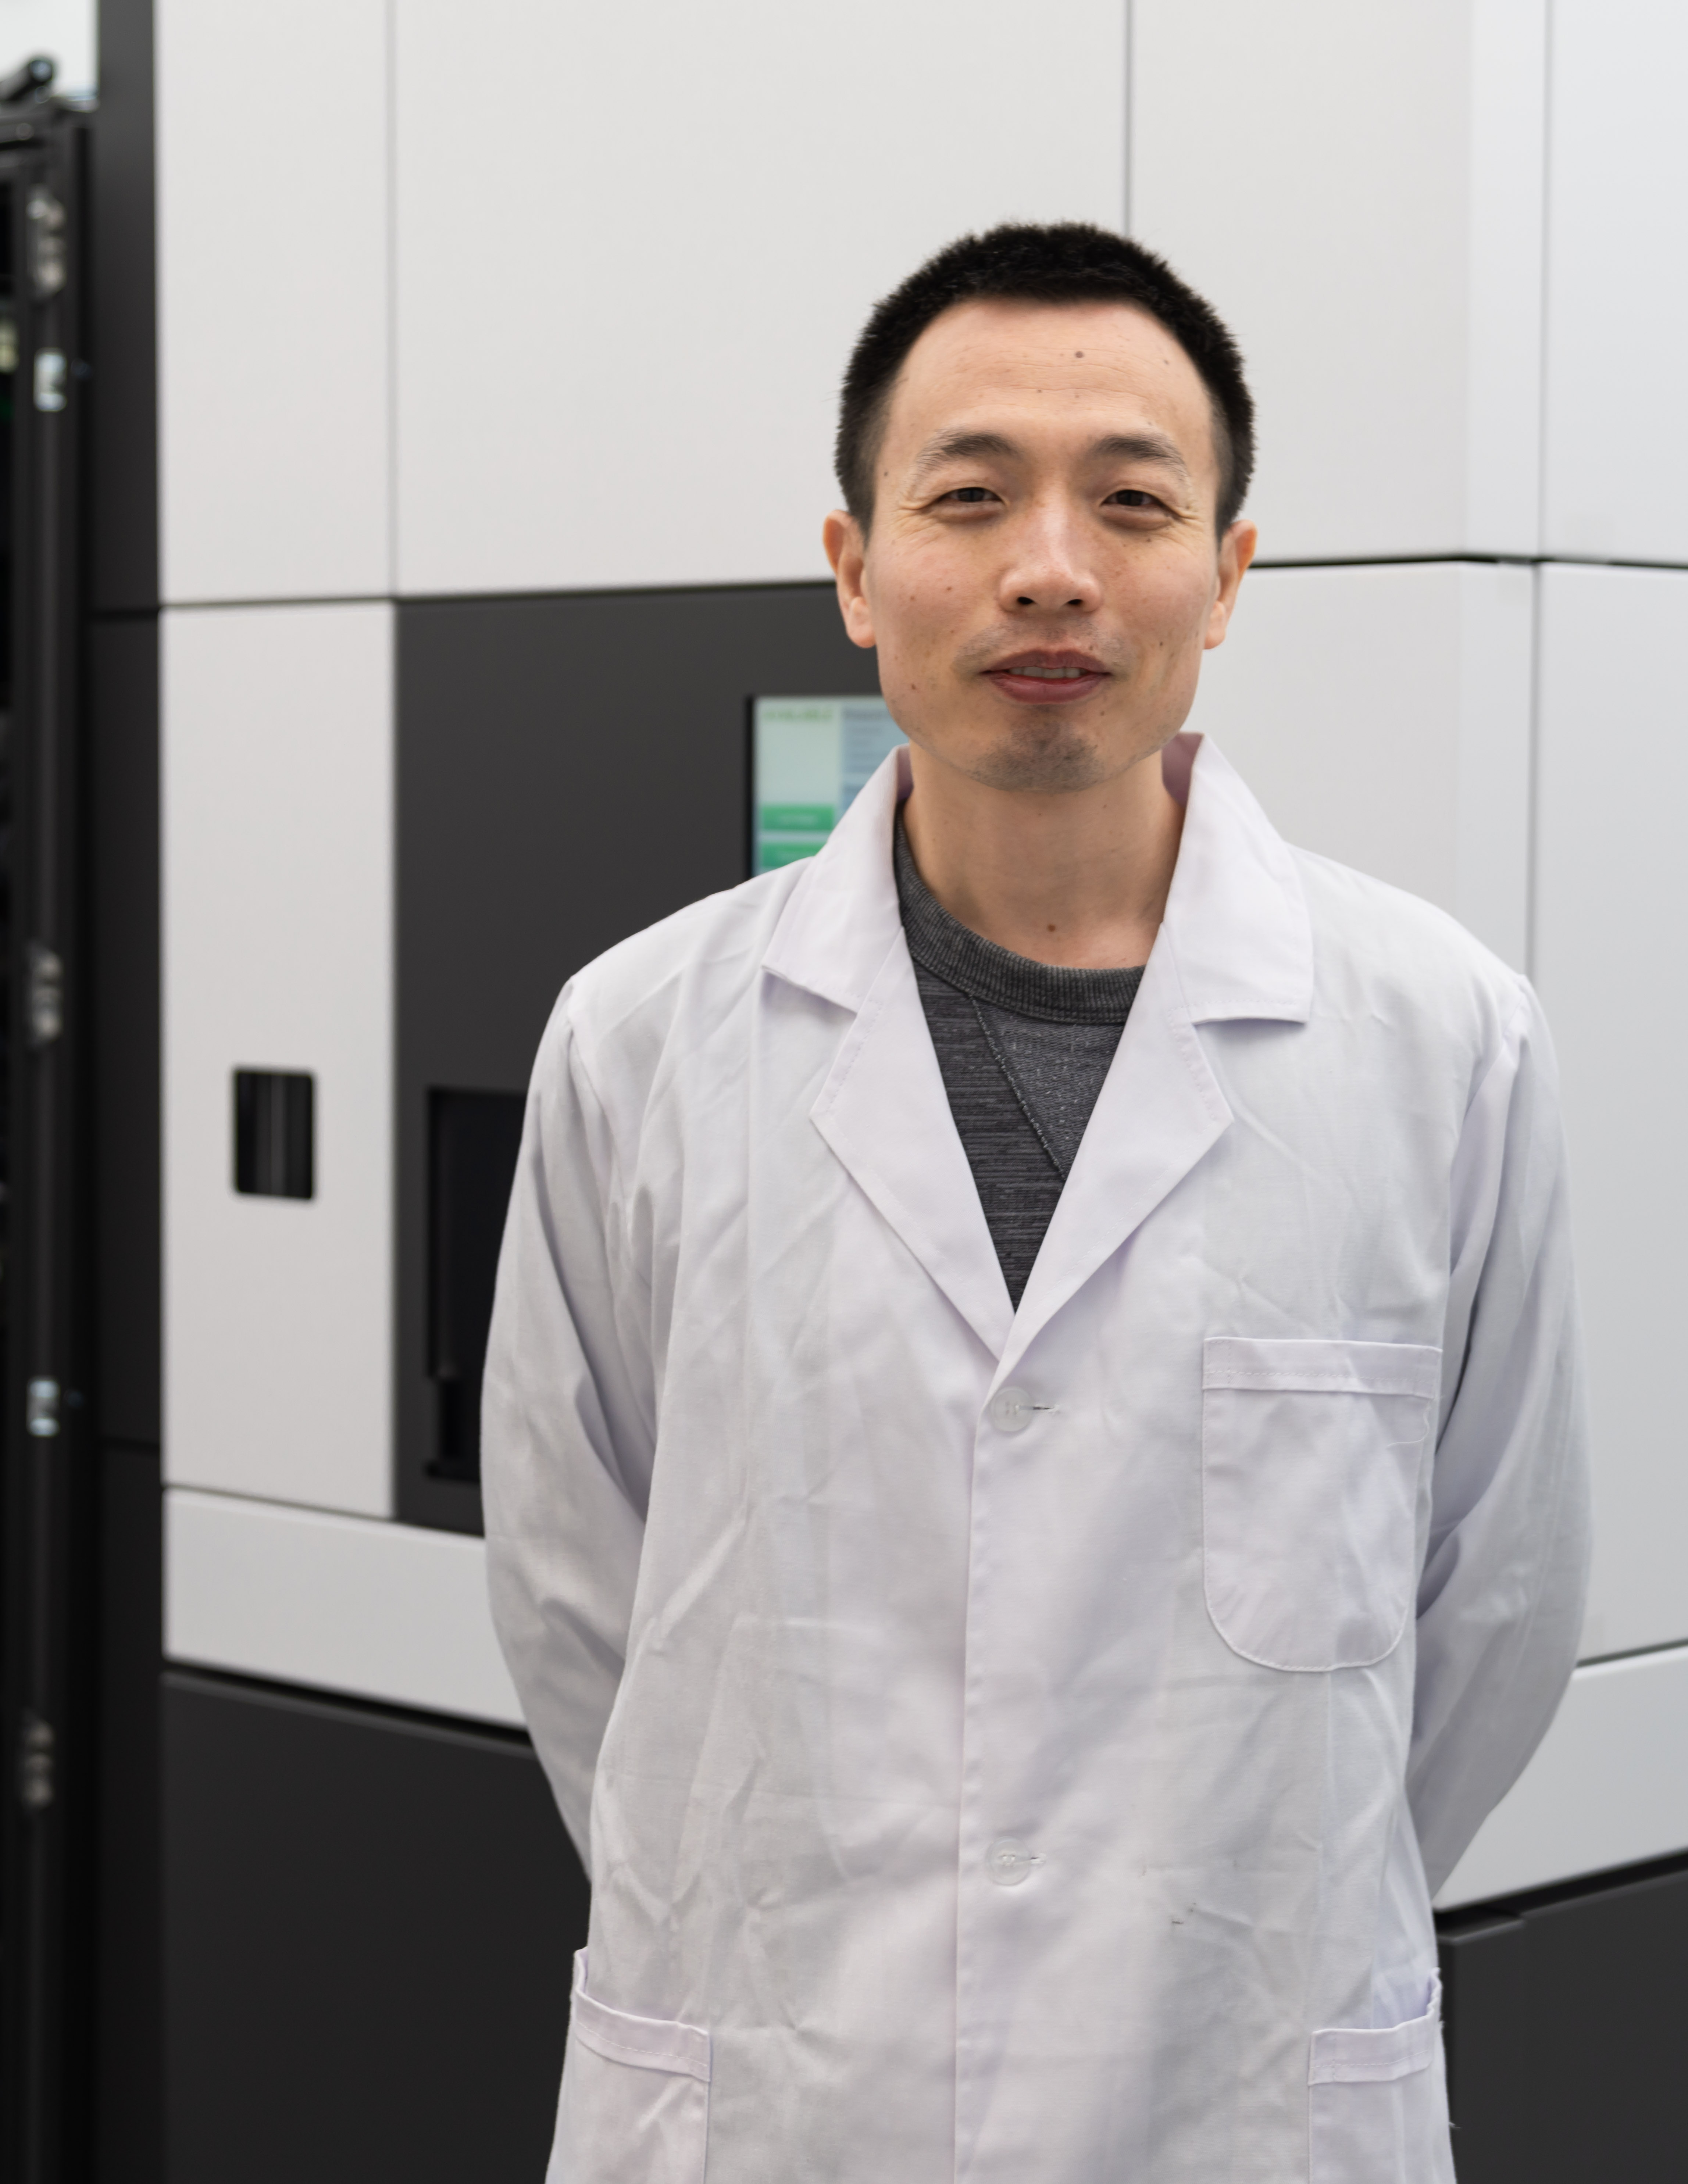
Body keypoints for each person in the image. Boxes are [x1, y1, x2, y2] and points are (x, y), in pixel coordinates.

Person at [482, 223, 1589, 2184]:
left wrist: (1224, 1917)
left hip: (1236, 2094)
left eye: (1134, 501)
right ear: (855, 569)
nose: (1052, 567)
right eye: (971, 494)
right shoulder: (642, 1038)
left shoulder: (1443, 1038)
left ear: (1228, 576)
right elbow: (580, 1604)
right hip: (781, 2091)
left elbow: (1497, 1604)